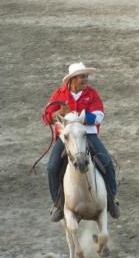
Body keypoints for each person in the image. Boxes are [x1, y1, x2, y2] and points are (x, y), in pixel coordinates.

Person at [42, 63, 119, 222]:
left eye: (86, 76)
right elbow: (47, 117)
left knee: (107, 162)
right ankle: (58, 204)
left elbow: (99, 116)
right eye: (82, 76)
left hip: (88, 134)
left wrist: (79, 117)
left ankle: (111, 200)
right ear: (73, 79)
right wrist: (58, 114)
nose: (86, 79)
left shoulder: (92, 94)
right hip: (67, 137)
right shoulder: (59, 94)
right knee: (52, 167)